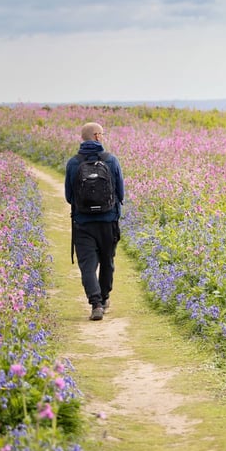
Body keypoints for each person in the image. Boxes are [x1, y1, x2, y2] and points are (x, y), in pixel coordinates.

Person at [65, 122, 125, 321]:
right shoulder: (111, 160)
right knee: (107, 261)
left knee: (88, 266)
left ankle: (96, 303)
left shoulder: (73, 163)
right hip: (108, 222)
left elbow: (68, 196)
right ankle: (105, 297)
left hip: (83, 224)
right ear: (97, 136)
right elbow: (121, 193)